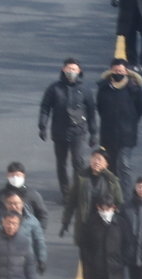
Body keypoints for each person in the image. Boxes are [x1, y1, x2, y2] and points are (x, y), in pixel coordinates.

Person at [39, 58, 97, 199]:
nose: (71, 72)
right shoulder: (54, 89)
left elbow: (91, 112)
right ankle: (66, 193)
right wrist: (42, 126)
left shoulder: (85, 90)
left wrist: (93, 132)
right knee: (61, 163)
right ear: (63, 70)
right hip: (59, 131)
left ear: (79, 71)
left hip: (78, 131)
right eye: (68, 69)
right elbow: (45, 108)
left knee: (78, 161)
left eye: (74, 69)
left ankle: (79, 191)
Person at [95, 59, 142, 191]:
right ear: (111, 70)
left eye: (121, 71)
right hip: (108, 135)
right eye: (116, 70)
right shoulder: (104, 88)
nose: (118, 73)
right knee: (110, 165)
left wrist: (130, 121)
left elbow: (140, 109)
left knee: (123, 164)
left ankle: (126, 195)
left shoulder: (133, 88)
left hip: (126, 135)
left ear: (126, 72)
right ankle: (112, 193)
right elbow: (100, 108)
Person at [62, 149, 124, 245]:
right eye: (94, 158)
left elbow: (119, 203)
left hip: (103, 223)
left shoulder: (111, 181)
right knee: (85, 253)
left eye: (100, 159)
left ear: (106, 164)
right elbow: (71, 201)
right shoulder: (81, 177)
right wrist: (65, 222)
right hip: (85, 223)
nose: (96, 162)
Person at [0, 192, 48, 274]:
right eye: (10, 203)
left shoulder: (32, 221)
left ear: (22, 203)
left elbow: (39, 241)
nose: (13, 206)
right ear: (5, 204)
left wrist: (42, 259)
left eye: (16, 203)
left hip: (25, 262)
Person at [0, 162, 49, 228]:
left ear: (24, 176)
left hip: (27, 233)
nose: (15, 178)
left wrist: (38, 232)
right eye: (12, 175)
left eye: (18, 175)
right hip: (3, 233)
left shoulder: (32, 195)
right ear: (7, 176)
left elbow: (43, 215)